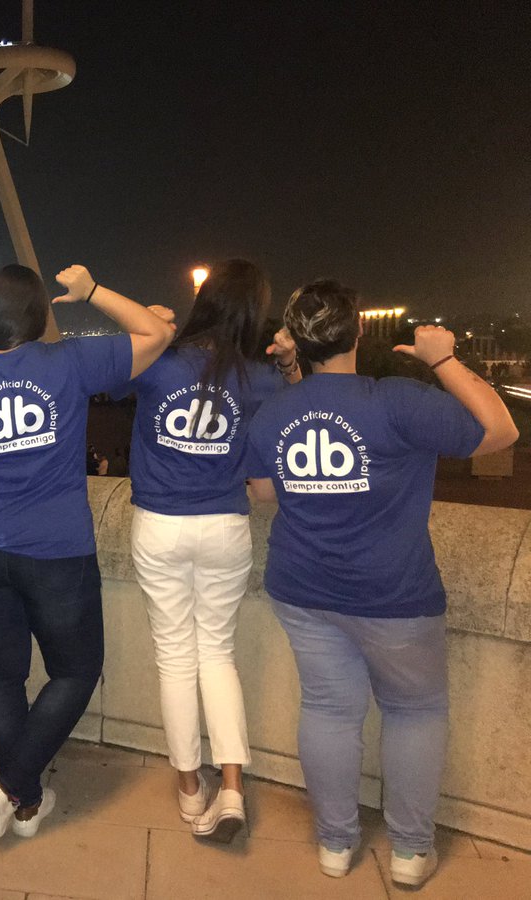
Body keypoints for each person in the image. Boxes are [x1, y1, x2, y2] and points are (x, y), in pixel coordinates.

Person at [245, 280, 517, 888]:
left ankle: (335, 844)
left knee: (328, 709)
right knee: (414, 711)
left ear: (297, 340)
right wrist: (443, 360)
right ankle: (410, 852)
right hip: (395, 595)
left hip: (302, 588)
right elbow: (500, 432)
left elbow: (263, 493)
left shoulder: (274, 412)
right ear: (359, 330)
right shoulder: (397, 400)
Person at [0, 263, 174, 840]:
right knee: (76, 670)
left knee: (0, 674)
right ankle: (12, 787)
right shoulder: (69, 362)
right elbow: (157, 333)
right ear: (40, 313)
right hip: (55, 550)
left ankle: (26, 802)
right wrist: (92, 292)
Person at [116, 259, 301, 842]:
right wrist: (290, 364)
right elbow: (305, 408)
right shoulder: (260, 378)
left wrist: (148, 327)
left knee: (175, 658)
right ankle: (233, 789)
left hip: (160, 526)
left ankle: (189, 788)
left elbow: (105, 369)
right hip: (224, 525)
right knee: (217, 655)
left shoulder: (160, 362)